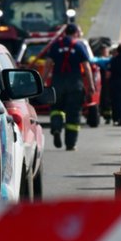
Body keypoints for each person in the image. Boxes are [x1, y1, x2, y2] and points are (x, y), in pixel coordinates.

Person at [44, 23, 94, 151]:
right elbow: (87, 67)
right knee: (73, 114)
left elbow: (48, 64)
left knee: (56, 109)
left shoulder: (55, 45)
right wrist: (90, 85)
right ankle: (70, 144)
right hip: (74, 85)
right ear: (76, 33)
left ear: (65, 32)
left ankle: (56, 128)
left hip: (58, 84)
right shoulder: (79, 45)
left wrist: (42, 81)